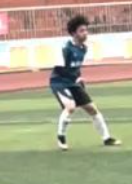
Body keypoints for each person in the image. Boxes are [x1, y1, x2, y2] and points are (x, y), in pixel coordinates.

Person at [50, 15, 120, 150]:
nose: (85, 33)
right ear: (74, 33)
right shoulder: (66, 48)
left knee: (92, 109)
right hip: (59, 82)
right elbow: (58, 68)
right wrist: (70, 78)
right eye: (82, 31)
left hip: (72, 82)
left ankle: (107, 138)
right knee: (70, 107)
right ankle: (61, 138)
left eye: (86, 30)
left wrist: (78, 77)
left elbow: (75, 67)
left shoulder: (83, 48)